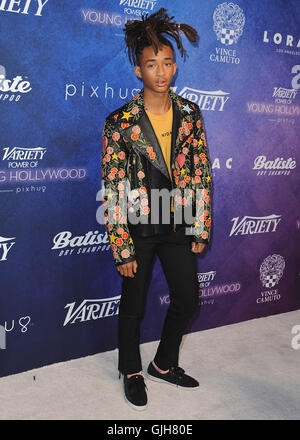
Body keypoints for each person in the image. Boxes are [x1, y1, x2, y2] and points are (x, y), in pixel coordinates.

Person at [101, 8, 212, 411]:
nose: (161, 72)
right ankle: (130, 370)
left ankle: (163, 364)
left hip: (179, 219)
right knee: (133, 302)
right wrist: (122, 246)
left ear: (174, 66)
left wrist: (200, 225)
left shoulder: (190, 114)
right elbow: (113, 187)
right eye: (152, 64)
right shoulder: (120, 123)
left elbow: (199, 171)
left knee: (188, 298)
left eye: (167, 63)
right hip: (139, 225)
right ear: (138, 70)